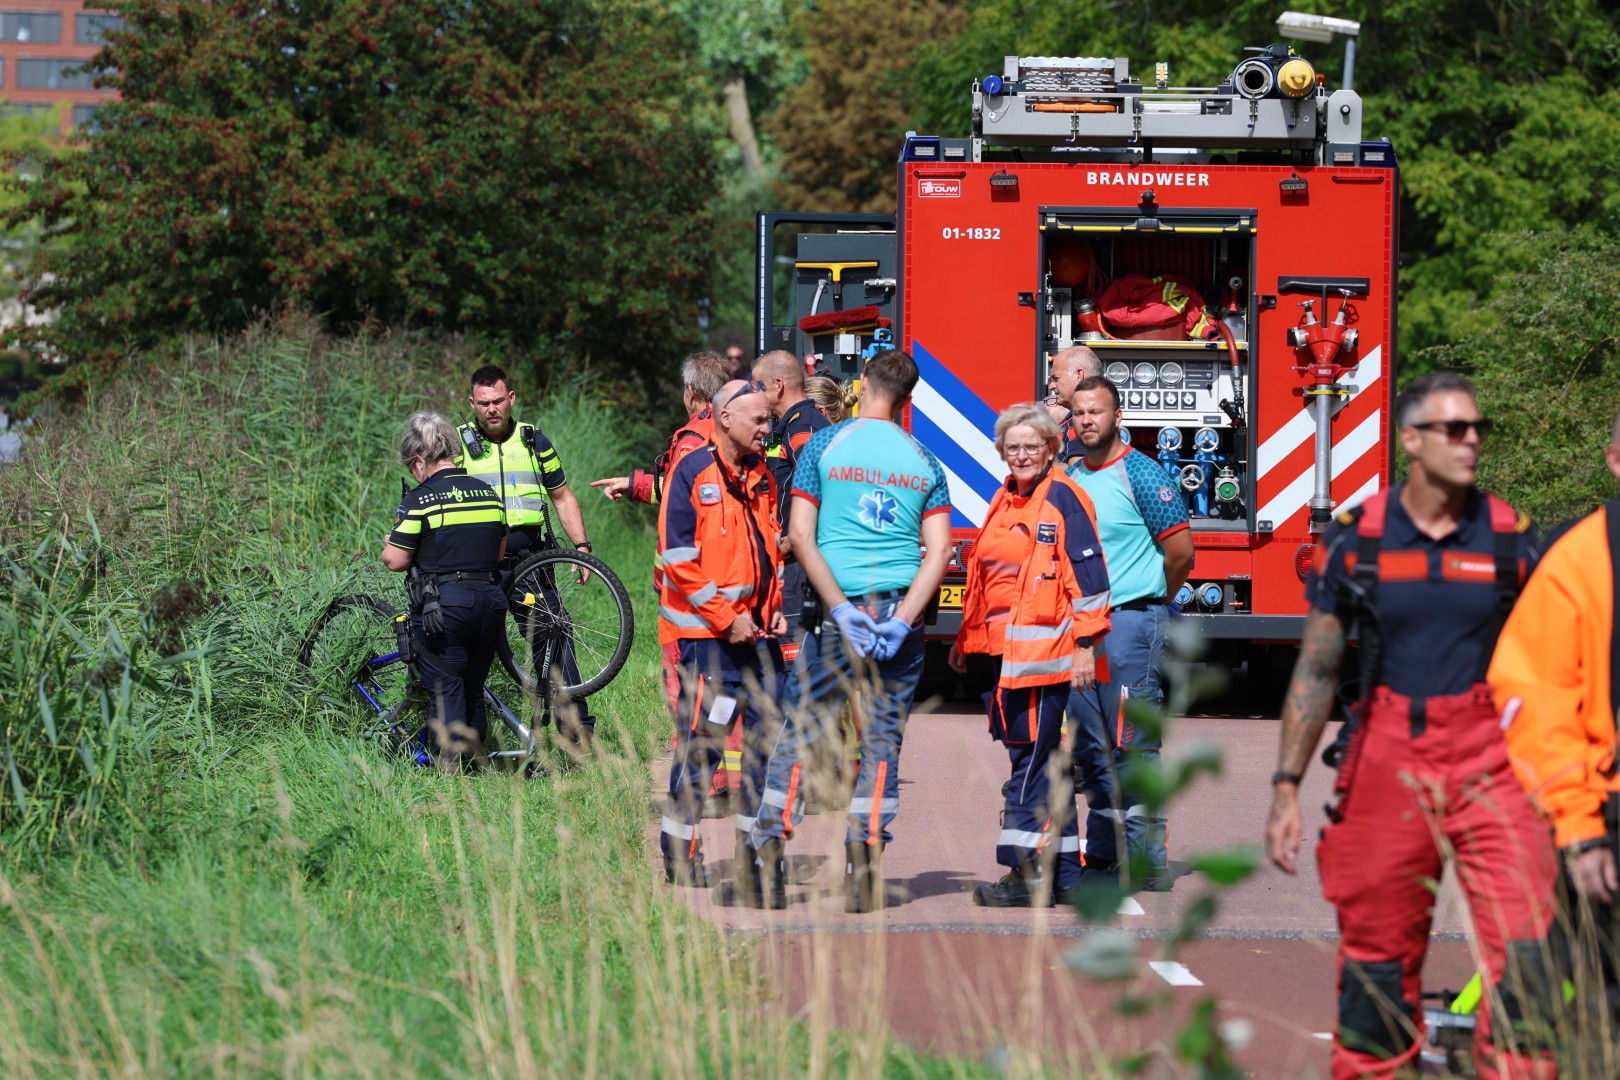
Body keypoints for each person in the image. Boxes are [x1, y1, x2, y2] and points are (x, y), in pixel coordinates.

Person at [1265, 371, 1559, 1079]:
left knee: (1530, 955)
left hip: (1494, 757)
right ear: (1411, 441)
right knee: (1376, 963)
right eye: (1454, 429)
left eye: (1477, 429)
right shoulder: (1358, 541)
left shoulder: (1513, 541)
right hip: (1386, 754)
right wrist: (1285, 787)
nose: (1471, 441)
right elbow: (1316, 668)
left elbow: (1557, 662)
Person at [746, 350, 953, 913]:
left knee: (804, 731)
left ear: (861, 387)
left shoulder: (823, 446)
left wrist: (841, 611)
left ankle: (768, 856)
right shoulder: (924, 461)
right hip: (897, 619)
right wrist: (902, 619)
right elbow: (939, 552)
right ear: (908, 400)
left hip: (835, 615)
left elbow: (801, 536)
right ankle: (864, 861)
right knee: (883, 740)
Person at [950, 403, 1112, 907]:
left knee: (1033, 766)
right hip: (1000, 655)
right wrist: (966, 640)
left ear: (1050, 449)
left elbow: (1090, 581)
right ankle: (1063, 872)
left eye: (1031, 446)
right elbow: (988, 580)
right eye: (1012, 446)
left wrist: (1086, 645)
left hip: (1043, 660)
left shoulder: (1063, 496)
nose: (1021, 454)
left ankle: (1025, 874)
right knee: (1036, 761)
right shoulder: (1005, 498)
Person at [1489, 408, 1620, 1032]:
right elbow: (1536, 696)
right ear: (1615, 461)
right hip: (1606, 811)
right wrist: (1580, 824)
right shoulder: (1583, 558)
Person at [592, 350, 740, 810]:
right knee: (722, 689)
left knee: (688, 692)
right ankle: (723, 782)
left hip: (689, 593)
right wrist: (635, 484)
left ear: (692, 392)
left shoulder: (694, 441)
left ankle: (696, 791)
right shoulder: (731, 433)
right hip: (725, 586)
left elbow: (681, 499)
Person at [656, 379, 787, 893]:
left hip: (756, 636)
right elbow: (679, 560)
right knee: (704, 745)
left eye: (768, 418)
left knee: (763, 748)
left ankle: (755, 859)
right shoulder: (691, 471)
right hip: (708, 640)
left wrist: (773, 608)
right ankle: (680, 855)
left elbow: (767, 550)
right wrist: (725, 615)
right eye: (757, 419)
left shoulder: (762, 475)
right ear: (723, 419)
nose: (766, 428)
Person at [1066, 375, 1193, 893]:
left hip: (1129, 624)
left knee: (1133, 745)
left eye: (1097, 412)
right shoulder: (1070, 475)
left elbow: (1181, 553)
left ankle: (1148, 858)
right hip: (1080, 633)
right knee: (1091, 748)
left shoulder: (1142, 475)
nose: (1087, 421)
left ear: (1118, 417)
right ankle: (1102, 854)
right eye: (1079, 414)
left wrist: (1149, 601)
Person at [459, 364, 598, 749]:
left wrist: (581, 548)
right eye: (483, 403)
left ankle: (576, 733)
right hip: (478, 564)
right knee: (469, 646)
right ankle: (469, 737)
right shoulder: (458, 447)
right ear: (472, 403)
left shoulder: (533, 441)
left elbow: (563, 496)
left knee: (555, 634)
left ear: (512, 399)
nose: (491, 409)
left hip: (530, 560)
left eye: (498, 401)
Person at [382, 412, 508, 766]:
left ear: (420, 461)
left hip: (446, 609)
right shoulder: (488, 494)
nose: (413, 475)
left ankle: (452, 782)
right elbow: (497, 554)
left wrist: (391, 541)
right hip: (490, 606)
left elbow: (395, 560)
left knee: (447, 686)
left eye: (412, 468)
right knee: (473, 687)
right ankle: (478, 768)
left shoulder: (420, 500)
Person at [754, 349, 831, 640]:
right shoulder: (790, 426)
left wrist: (793, 542)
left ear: (778, 385)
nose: (755, 393)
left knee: (794, 660)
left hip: (801, 566)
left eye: (758, 385)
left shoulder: (803, 428)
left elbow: (824, 488)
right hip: (793, 562)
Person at [1047, 346, 1104, 463]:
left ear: (1079, 376)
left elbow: (1078, 475)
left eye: (1056, 378)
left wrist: (1042, 463)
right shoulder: (1077, 416)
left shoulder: (1087, 419)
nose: (1051, 386)